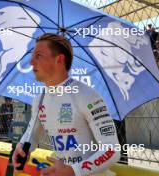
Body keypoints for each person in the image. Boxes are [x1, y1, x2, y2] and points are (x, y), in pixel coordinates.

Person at [12, 33, 120, 176]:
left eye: (38, 56)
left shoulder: (88, 95)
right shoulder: (39, 99)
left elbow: (112, 150)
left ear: (59, 59)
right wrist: (22, 147)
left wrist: (73, 171)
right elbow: (31, 135)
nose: (31, 62)